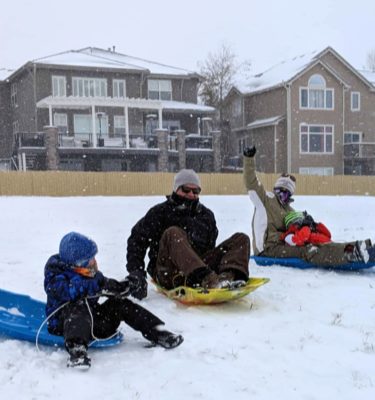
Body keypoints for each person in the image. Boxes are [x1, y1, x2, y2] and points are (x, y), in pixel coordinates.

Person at [44, 232, 183, 369]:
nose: (93, 262)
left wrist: (125, 286)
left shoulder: (91, 274)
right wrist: (98, 286)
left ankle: (158, 332)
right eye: (89, 260)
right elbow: (68, 291)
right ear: (77, 263)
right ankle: (77, 351)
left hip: (92, 322)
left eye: (93, 258)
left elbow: (105, 284)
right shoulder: (55, 274)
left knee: (119, 304)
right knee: (78, 305)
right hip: (63, 325)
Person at [125, 169, 250, 300]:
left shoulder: (206, 216)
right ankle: (208, 279)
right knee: (173, 233)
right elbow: (137, 240)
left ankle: (227, 278)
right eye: (186, 190)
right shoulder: (160, 212)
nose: (191, 194)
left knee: (241, 239)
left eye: (195, 191)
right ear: (176, 189)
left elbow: (210, 246)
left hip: (201, 269)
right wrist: (136, 272)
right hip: (169, 271)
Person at [242, 146, 375, 266]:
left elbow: (296, 231)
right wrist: (249, 159)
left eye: (286, 194)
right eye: (279, 191)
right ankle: (350, 256)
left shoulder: (289, 210)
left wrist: (307, 224)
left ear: (290, 196)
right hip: (268, 248)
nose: (281, 196)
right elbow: (251, 183)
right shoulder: (265, 201)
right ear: (275, 189)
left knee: (319, 243)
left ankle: (358, 248)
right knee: (309, 250)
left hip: (285, 244)